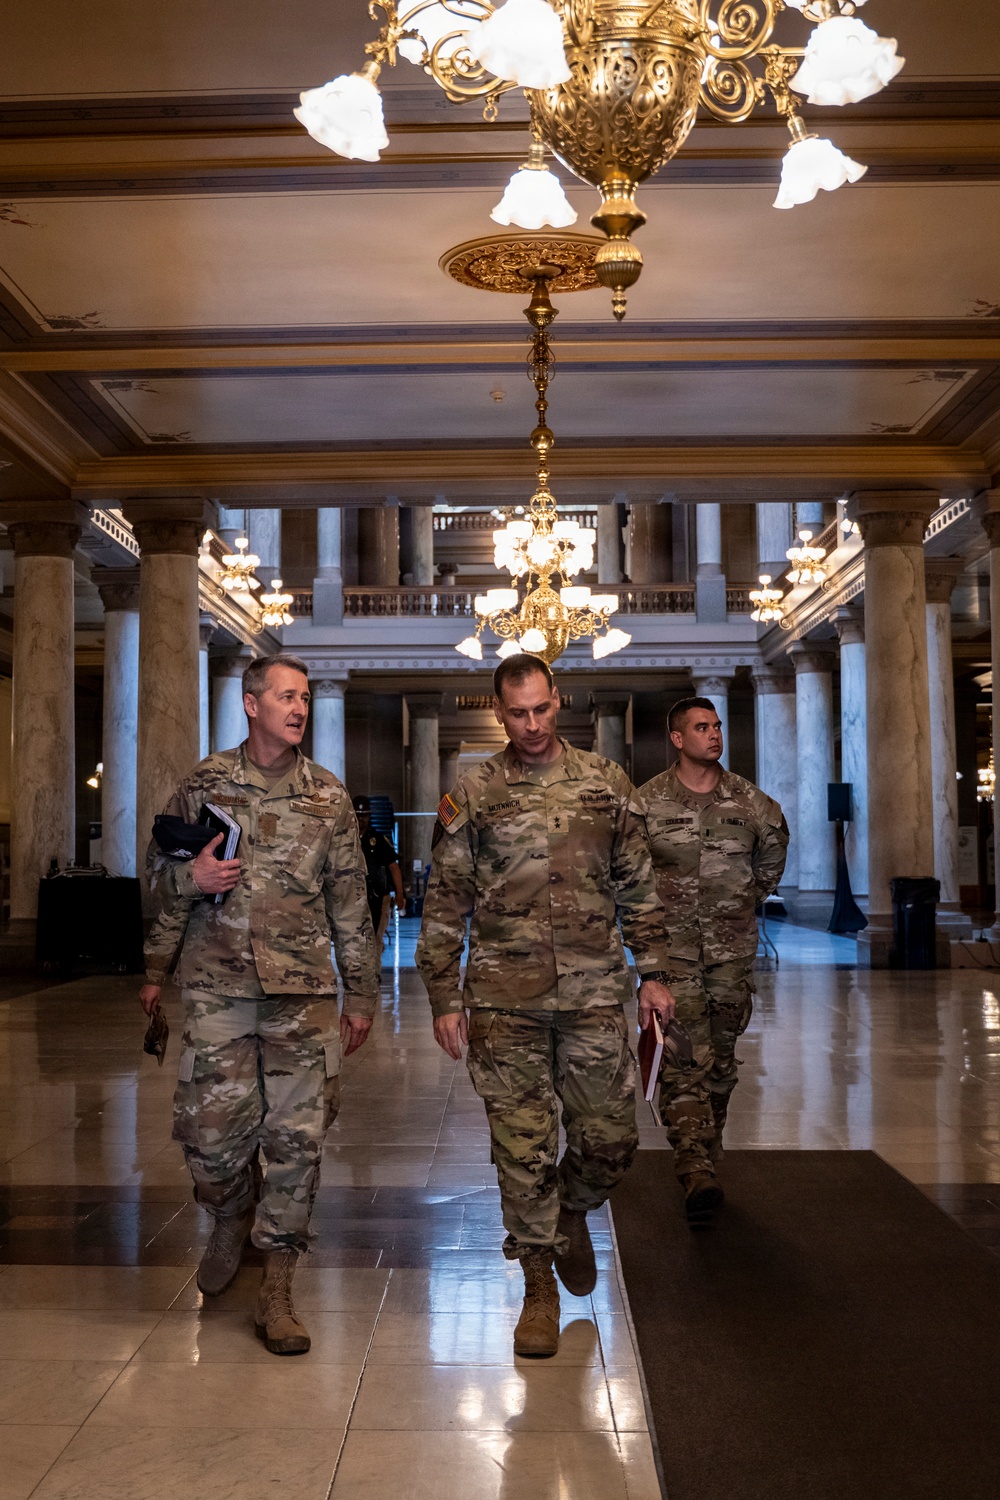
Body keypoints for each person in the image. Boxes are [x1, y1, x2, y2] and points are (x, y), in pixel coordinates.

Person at [416, 653, 674, 1359]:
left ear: (558, 700)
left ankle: (568, 1214)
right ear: (498, 711)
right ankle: (537, 1287)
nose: (531, 725)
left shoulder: (605, 781)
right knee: (522, 1148)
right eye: (517, 713)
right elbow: (445, 902)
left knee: (610, 1139)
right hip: (504, 1002)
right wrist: (444, 992)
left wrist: (653, 972)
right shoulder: (474, 792)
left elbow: (637, 882)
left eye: (541, 709)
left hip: (593, 994)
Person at [138, 654, 378, 1355]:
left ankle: (278, 1285)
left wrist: (360, 992)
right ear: (251, 705)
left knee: (297, 1143)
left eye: (304, 697)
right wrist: (190, 880)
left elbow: (351, 903)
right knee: (212, 1143)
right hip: (217, 989)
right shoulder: (206, 783)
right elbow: (157, 875)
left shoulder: (328, 797)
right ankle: (228, 1213)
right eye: (285, 696)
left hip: (303, 998)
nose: (299, 707)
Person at [640, 696, 788, 1227]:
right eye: (701, 727)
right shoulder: (647, 804)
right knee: (683, 1058)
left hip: (731, 955)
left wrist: (737, 903)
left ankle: (708, 1148)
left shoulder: (751, 802)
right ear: (678, 739)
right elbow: (629, 877)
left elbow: (770, 862)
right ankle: (694, 1168)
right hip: (671, 955)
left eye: (718, 726)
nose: (714, 734)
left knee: (721, 1061)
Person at [352, 794, 404, 946]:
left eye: (365, 815)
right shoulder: (345, 839)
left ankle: (374, 970)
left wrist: (400, 894)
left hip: (377, 898)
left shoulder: (378, 839)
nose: (361, 819)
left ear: (369, 816)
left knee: (375, 940)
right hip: (352, 898)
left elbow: (393, 867)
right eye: (358, 815)